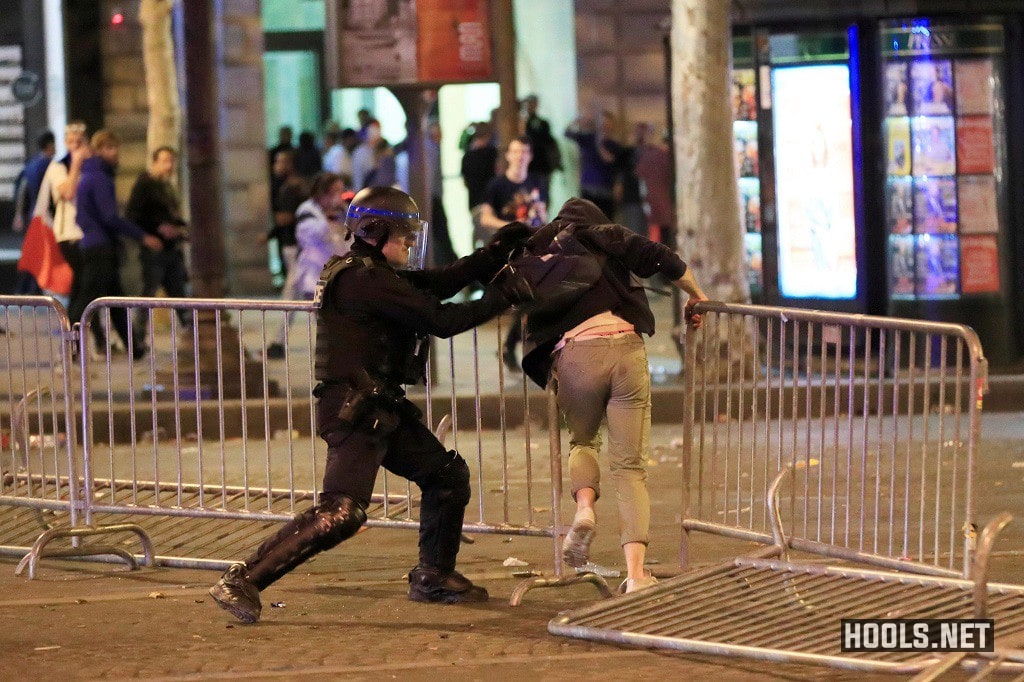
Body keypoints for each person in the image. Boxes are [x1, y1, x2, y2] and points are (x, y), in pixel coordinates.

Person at [208, 187, 533, 623]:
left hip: (378, 408)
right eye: (405, 234)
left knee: (446, 476)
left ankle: (433, 576)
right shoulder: (366, 281)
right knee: (341, 512)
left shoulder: (369, 272)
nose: (411, 243)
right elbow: (441, 318)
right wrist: (503, 296)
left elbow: (436, 282)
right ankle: (242, 579)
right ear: (376, 231)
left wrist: (491, 256)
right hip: (355, 411)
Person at [517, 197, 707, 594]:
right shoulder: (606, 236)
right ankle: (636, 575)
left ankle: (585, 507)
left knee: (582, 441)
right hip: (624, 348)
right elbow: (664, 259)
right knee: (630, 469)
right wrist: (697, 295)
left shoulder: (540, 249)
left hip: (575, 354)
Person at [71, 130, 162, 358]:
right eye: (108, 148)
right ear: (98, 151)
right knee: (86, 301)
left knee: (115, 300)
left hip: (96, 245)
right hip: (99, 247)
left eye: (115, 147)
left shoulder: (91, 176)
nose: (114, 153)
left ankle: (135, 348)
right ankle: (71, 346)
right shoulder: (99, 178)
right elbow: (109, 217)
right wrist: (142, 236)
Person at [480, 136, 548, 373]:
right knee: (523, 298)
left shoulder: (537, 182)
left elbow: (543, 215)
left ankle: (513, 346)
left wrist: (538, 217)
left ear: (529, 156)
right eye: (516, 152)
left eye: (524, 152)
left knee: (532, 298)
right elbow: (485, 217)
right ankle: (512, 346)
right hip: (507, 250)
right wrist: (511, 225)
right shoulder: (497, 185)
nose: (520, 157)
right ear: (508, 155)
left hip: (530, 248)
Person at [267, 172, 352, 357]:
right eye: (334, 191)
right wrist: (329, 219)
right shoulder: (308, 210)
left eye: (340, 190)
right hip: (311, 273)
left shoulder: (344, 211)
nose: (338, 196)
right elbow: (311, 235)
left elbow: (350, 239)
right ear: (323, 193)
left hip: (337, 273)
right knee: (297, 306)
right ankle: (278, 343)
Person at [125, 146, 190, 340]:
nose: (169, 165)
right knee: (148, 293)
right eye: (165, 161)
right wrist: (154, 231)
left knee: (179, 293)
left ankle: (191, 332)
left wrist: (181, 228)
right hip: (154, 249)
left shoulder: (166, 186)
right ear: (154, 162)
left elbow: (171, 216)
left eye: (171, 161)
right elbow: (133, 215)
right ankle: (137, 338)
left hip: (170, 249)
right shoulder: (145, 183)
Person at [32, 122, 89, 306]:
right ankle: (74, 328)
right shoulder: (58, 167)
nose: (75, 145)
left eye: (79, 141)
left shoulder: (91, 167)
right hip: (69, 234)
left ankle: (88, 330)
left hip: (88, 232)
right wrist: (77, 163)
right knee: (81, 285)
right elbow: (67, 192)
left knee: (86, 286)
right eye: (71, 141)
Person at [565, 111, 620, 220]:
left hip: (605, 191)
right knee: (587, 222)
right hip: (588, 188)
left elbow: (609, 160)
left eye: (607, 124)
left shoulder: (614, 145)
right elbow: (567, 133)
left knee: (605, 223)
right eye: (602, 124)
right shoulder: (588, 138)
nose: (604, 127)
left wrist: (599, 143)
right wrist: (579, 119)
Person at [425, 120, 457, 267]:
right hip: (432, 199)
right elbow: (430, 179)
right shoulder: (430, 150)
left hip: (433, 198)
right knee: (440, 236)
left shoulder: (432, 149)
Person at [520, 95, 561, 199]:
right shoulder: (522, 122)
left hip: (541, 166)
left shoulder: (542, 123)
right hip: (526, 166)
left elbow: (546, 142)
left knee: (543, 195)